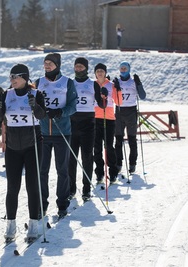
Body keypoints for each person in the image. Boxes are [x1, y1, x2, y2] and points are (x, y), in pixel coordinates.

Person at [0, 64, 46, 242]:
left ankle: (33, 223)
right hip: (13, 147)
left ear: (25, 78)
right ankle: (11, 225)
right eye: (11, 77)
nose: (12, 80)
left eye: (16, 77)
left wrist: (35, 107)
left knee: (32, 186)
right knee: (12, 188)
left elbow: (42, 116)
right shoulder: (5, 95)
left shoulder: (36, 94)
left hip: (33, 146)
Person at [35, 53, 77, 218]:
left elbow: (73, 106)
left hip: (62, 132)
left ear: (57, 65)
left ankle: (62, 204)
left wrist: (60, 112)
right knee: (42, 170)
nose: (47, 66)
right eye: (45, 63)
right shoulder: (38, 83)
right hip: (43, 132)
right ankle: (41, 204)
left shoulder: (67, 82)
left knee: (62, 170)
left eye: (50, 63)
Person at [69, 57, 107, 201]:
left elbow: (102, 105)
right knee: (71, 158)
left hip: (88, 123)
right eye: (76, 66)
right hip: (71, 123)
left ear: (86, 68)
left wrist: (104, 98)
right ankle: (71, 188)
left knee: (87, 157)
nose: (78, 69)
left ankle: (86, 188)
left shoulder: (93, 84)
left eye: (81, 67)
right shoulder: (69, 83)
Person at [114, 61, 146, 174]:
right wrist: (114, 87)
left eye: (125, 68)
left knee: (132, 139)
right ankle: (118, 163)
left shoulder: (133, 82)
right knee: (118, 139)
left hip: (131, 111)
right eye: (121, 68)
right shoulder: (116, 82)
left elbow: (143, 96)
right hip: (119, 111)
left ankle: (132, 163)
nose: (123, 70)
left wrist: (139, 84)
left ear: (128, 69)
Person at [93, 63, 122, 185]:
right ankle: (99, 173)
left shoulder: (111, 85)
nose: (100, 73)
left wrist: (119, 89)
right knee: (97, 148)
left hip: (108, 119)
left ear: (105, 73)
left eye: (102, 71)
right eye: (98, 71)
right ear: (95, 73)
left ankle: (113, 172)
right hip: (94, 118)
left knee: (109, 146)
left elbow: (119, 102)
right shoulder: (92, 84)